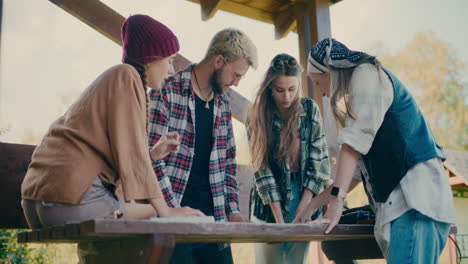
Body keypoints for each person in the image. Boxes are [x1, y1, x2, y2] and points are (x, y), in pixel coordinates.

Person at [21, 14, 204, 231]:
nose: (171, 70)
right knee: (152, 214)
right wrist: (168, 211)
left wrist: (153, 154)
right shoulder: (127, 76)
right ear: (151, 57)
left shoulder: (117, 79)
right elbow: (133, 155)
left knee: (140, 212)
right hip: (71, 200)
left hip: (40, 201)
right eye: (170, 60)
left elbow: (122, 150)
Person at [294, 38, 456, 263]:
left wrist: (336, 203)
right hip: (412, 207)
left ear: (329, 71)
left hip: (415, 203)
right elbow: (355, 172)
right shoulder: (364, 97)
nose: (321, 93)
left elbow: (352, 144)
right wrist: (311, 206)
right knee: (334, 246)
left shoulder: (366, 73)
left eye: (318, 82)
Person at [148, 28, 258, 264]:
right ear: (219, 60)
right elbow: (151, 160)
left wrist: (233, 211)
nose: (237, 83)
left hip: (215, 223)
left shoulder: (223, 102)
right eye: (236, 75)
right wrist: (173, 211)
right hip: (173, 223)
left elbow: (228, 164)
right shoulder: (166, 90)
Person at [246, 54, 330, 264]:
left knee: (295, 261)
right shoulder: (257, 114)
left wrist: (304, 207)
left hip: (303, 193)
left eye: (292, 89)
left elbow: (318, 163)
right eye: (279, 90)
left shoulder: (310, 110)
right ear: (270, 88)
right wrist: (280, 224)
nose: (286, 97)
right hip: (267, 204)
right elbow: (261, 171)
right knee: (270, 261)